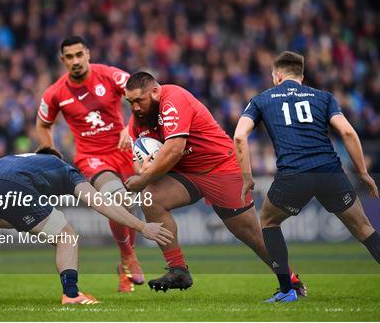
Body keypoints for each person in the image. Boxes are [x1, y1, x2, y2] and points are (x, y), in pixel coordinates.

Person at [234, 51, 380, 303]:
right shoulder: (323, 97)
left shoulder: (261, 100)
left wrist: (247, 177)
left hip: (294, 174)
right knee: (364, 229)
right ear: (302, 77)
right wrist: (363, 173)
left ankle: (287, 290)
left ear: (277, 75)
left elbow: (239, 136)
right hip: (329, 171)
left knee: (269, 221)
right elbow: (348, 133)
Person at [0, 147, 173, 306]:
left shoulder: (20, 159)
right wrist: (141, 226)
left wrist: (22, 221)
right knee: (67, 237)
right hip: (13, 185)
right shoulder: (64, 169)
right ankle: (71, 294)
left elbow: (4, 218)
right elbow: (99, 203)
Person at [123, 72, 305, 294]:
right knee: (152, 198)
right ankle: (178, 269)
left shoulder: (174, 99)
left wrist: (143, 178)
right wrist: (143, 172)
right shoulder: (137, 121)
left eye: (139, 101)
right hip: (187, 174)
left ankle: (292, 281)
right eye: (130, 102)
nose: (135, 107)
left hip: (220, 168)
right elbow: (137, 162)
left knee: (251, 235)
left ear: (154, 92)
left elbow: (175, 148)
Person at [35, 36, 143, 292]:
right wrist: (51, 152)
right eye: (69, 57)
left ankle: (124, 264)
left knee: (132, 208)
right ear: (63, 61)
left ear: (88, 54)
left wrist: (130, 127)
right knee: (119, 200)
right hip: (92, 159)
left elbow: (139, 93)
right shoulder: (55, 93)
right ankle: (128, 255)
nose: (75, 61)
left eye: (79, 55)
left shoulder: (109, 76)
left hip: (124, 151)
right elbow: (42, 124)